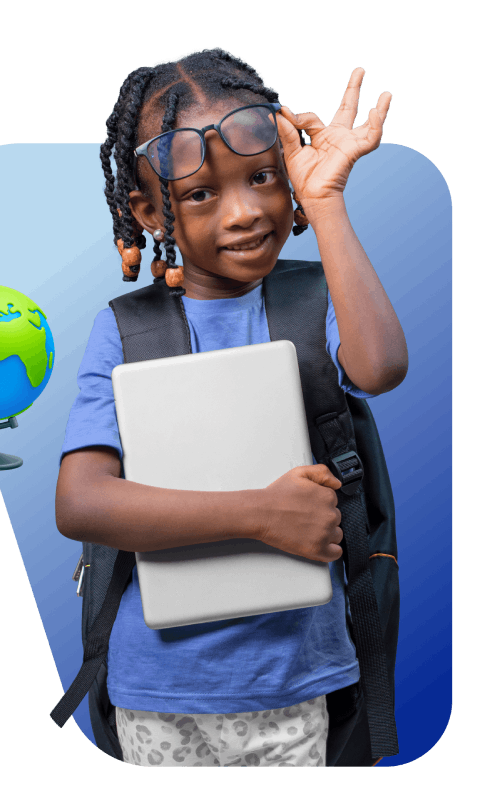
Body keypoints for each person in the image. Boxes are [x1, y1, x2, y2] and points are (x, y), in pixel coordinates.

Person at [56, 48, 408, 767]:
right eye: (199, 195)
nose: (244, 212)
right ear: (150, 213)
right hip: (158, 688)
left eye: (262, 177)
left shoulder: (320, 301)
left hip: (296, 681)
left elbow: (381, 367)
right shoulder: (122, 330)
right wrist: (260, 515)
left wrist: (326, 203)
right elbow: (81, 502)